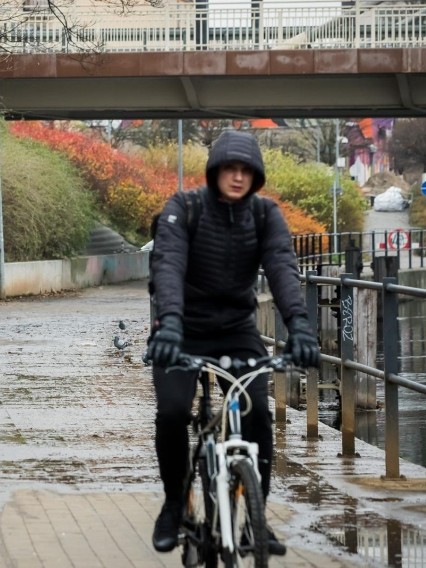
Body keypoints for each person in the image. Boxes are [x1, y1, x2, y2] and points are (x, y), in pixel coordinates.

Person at [145, 130, 320, 556]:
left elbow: (281, 265)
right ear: (214, 172)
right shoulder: (183, 209)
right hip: (181, 330)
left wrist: (298, 325)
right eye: (230, 168)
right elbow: (168, 265)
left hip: (237, 332)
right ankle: (173, 503)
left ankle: (253, 517)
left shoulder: (264, 215)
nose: (238, 177)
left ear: (256, 176)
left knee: (259, 412)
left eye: (246, 170)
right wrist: (168, 323)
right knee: (171, 414)